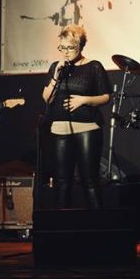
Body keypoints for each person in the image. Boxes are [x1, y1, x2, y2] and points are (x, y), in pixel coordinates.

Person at [42, 25, 112, 209]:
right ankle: (62, 224)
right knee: (62, 181)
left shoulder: (93, 66)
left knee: (89, 179)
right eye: (62, 47)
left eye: (70, 47)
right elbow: (47, 98)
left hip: (87, 128)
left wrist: (84, 100)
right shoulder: (56, 67)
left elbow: (106, 96)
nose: (65, 52)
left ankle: (98, 222)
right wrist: (55, 77)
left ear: (80, 46)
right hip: (59, 129)